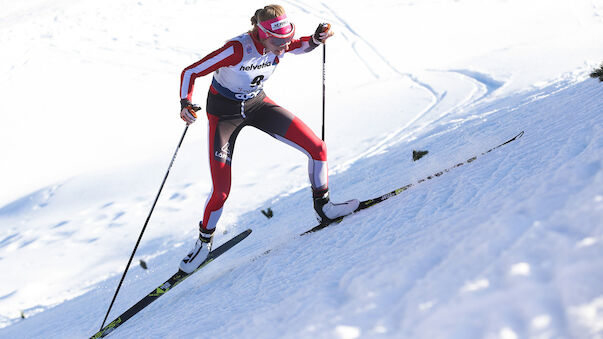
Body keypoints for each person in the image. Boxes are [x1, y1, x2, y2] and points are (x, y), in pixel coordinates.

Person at [178, 4, 359, 273]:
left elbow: (299, 45)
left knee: (317, 148)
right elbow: (191, 72)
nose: (283, 47)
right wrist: (185, 102)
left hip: (257, 105)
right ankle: (203, 244)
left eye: (285, 40)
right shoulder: (236, 49)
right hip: (224, 116)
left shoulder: (280, 44)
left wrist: (314, 40)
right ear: (261, 34)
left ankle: (325, 207)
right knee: (221, 191)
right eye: (277, 42)